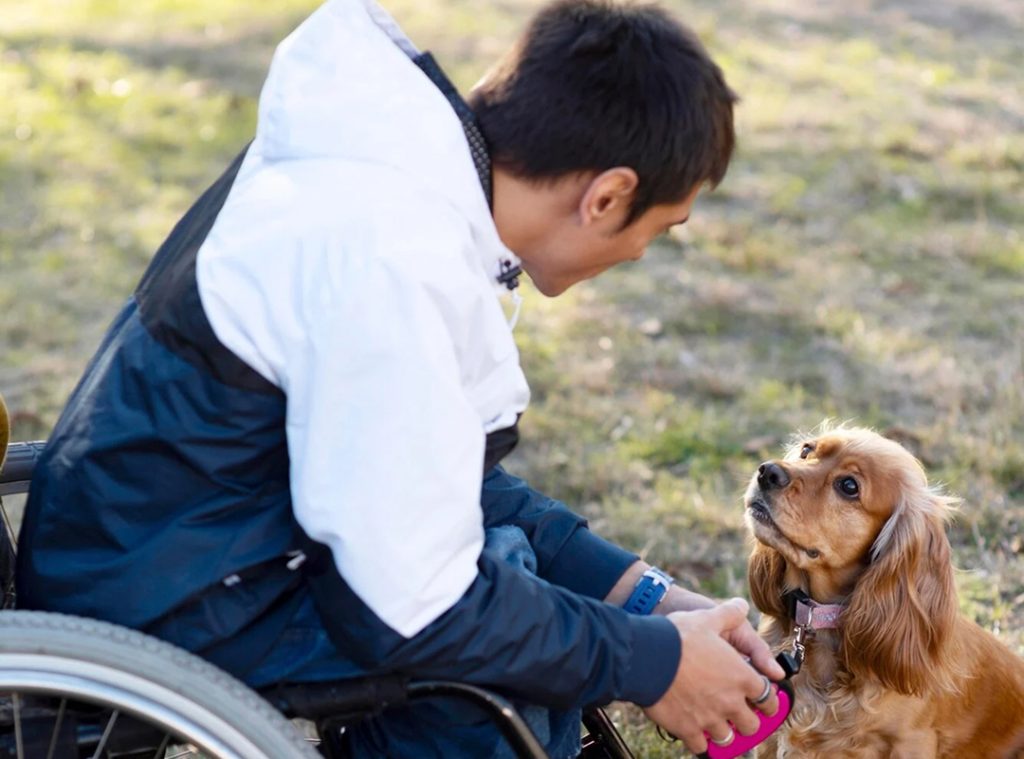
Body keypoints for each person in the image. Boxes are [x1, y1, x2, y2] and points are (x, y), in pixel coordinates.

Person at [16, 0, 785, 756]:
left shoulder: (382, 178)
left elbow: (426, 482)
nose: (642, 253)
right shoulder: (390, 263)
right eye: (660, 228)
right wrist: (652, 662)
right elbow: (415, 606)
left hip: (175, 548)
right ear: (608, 196)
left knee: (524, 597)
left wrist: (648, 601)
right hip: (162, 600)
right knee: (507, 637)